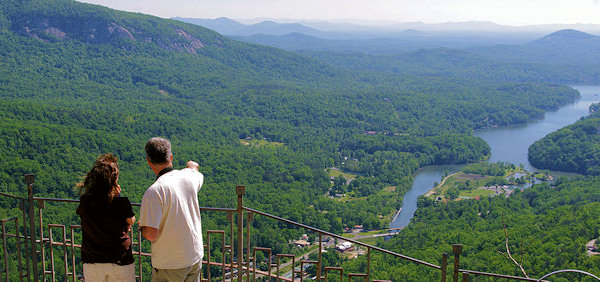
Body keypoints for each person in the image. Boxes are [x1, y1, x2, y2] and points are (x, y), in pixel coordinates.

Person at [139, 137, 204, 282]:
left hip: (170, 263)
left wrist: (141, 227)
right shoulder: (189, 178)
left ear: (149, 162)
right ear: (171, 157)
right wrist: (191, 165)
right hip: (194, 256)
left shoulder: (154, 192)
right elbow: (194, 168)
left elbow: (151, 234)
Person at [76, 153, 136, 282]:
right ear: (114, 179)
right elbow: (131, 220)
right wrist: (118, 196)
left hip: (92, 259)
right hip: (120, 258)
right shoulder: (121, 202)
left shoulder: (85, 201)